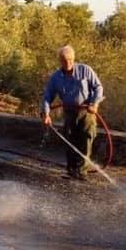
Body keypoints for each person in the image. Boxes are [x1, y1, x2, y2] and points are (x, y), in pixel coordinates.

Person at [41, 44, 104, 180]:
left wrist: (94, 103)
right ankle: (71, 170)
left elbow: (98, 87)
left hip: (87, 112)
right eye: (64, 60)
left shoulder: (85, 70)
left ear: (74, 58)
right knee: (70, 140)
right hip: (69, 112)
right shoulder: (56, 77)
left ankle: (81, 172)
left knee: (86, 139)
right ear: (60, 61)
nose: (67, 62)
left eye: (70, 59)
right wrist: (46, 114)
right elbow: (47, 96)